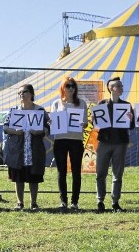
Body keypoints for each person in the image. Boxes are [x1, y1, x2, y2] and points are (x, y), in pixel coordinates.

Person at [3, 84, 50, 211]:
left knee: (34, 176)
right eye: (19, 93)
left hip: (34, 148)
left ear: (31, 94)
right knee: (19, 176)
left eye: (24, 92)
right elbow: (5, 127)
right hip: (18, 149)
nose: (21, 95)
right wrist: (15, 131)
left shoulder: (40, 110)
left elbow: (48, 128)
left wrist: (39, 131)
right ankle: (20, 202)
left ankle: (33, 203)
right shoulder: (14, 110)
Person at [95, 76, 134, 212]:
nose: (122, 88)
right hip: (104, 143)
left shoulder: (127, 105)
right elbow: (96, 123)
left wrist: (130, 119)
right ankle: (100, 201)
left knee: (118, 174)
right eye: (119, 86)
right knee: (100, 173)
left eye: (122, 86)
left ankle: (115, 202)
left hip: (120, 144)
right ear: (111, 88)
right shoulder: (102, 104)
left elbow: (132, 126)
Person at [50, 77, 88, 210]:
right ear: (62, 88)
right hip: (60, 140)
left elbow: (85, 122)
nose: (71, 88)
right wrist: (51, 122)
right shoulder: (56, 103)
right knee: (62, 172)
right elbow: (52, 121)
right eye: (68, 86)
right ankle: (63, 201)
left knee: (76, 172)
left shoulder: (82, 103)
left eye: (73, 86)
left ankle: (75, 202)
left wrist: (84, 124)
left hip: (76, 140)